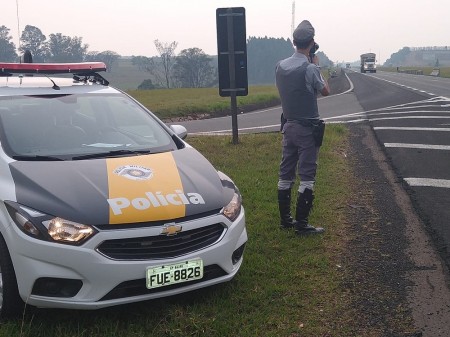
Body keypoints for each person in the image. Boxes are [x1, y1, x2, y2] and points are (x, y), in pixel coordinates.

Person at [275, 20, 330, 236]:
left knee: (285, 172)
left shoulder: (280, 66)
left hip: (288, 126)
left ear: (293, 42)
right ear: (312, 43)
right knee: (307, 174)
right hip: (308, 129)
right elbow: (325, 90)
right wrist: (316, 65)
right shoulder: (310, 68)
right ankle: (302, 224)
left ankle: (285, 219)